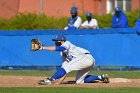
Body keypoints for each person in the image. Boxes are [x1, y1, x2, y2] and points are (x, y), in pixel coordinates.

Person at [38, 34, 109, 84]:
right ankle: (101, 77)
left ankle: (50, 80)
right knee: (79, 81)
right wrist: (60, 82)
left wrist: (43, 48)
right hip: (88, 61)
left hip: (85, 58)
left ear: (62, 41)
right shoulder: (63, 53)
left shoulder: (66, 43)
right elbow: (64, 68)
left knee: (66, 68)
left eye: (57, 41)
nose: (56, 42)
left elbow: (60, 48)